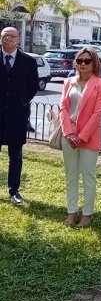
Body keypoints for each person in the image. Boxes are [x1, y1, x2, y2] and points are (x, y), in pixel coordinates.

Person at [59, 48, 101, 227]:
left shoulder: (100, 84)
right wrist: (69, 133)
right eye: (80, 61)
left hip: (89, 136)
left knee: (88, 175)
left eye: (87, 61)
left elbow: (98, 113)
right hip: (68, 135)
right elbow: (63, 108)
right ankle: (72, 212)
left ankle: (87, 214)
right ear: (75, 63)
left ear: (94, 63)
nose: (83, 64)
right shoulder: (68, 82)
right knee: (71, 175)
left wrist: (81, 136)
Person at [0, 27, 38, 205]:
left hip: (17, 116)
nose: (8, 39)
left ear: (18, 39)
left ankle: (13, 190)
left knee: (15, 155)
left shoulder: (28, 62)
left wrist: (21, 102)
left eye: (12, 36)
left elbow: (32, 87)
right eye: (4, 36)